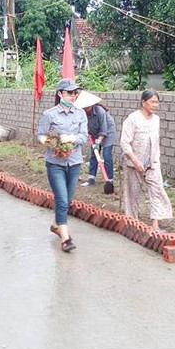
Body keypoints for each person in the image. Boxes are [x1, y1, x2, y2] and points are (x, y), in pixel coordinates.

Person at [36, 78, 88, 252]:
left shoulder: (80, 114)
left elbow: (84, 136)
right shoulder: (49, 114)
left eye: (75, 93)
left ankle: (55, 225)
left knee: (68, 199)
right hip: (55, 163)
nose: (73, 96)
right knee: (62, 199)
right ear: (60, 94)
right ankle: (65, 239)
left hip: (74, 162)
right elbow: (41, 135)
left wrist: (71, 138)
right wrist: (53, 143)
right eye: (69, 93)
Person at [119, 90, 173, 229]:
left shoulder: (156, 119)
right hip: (133, 163)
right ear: (143, 102)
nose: (156, 105)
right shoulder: (133, 119)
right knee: (132, 194)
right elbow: (125, 143)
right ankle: (132, 222)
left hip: (153, 163)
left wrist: (155, 159)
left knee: (157, 190)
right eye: (153, 102)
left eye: (157, 102)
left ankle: (155, 224)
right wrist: (135, 161)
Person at [75, 90, 117, 194]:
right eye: (84, 108)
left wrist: (99, 142)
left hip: (108, 133)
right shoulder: (83, 113)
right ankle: (91, 179)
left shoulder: (100, 112)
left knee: (107, 155)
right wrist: (92, 139)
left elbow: (104, 128)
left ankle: (109, 180)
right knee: (94, 155)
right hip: (94, 134)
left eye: (87, 107)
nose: (86, 109)